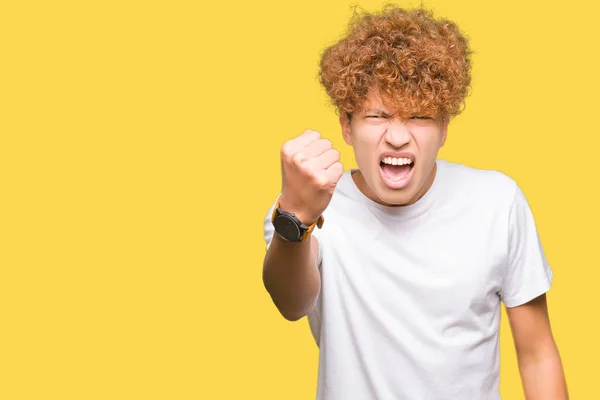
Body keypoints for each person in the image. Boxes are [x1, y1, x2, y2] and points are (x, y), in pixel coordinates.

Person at [262, 5, 569, 400]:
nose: (397, 137)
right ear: (346, 125)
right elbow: (291, 302)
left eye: (419, 116)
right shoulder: (306, 207)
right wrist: (297, 216)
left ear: (444, 128)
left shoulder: (498, 202)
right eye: (377, 115)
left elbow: (537, 354)